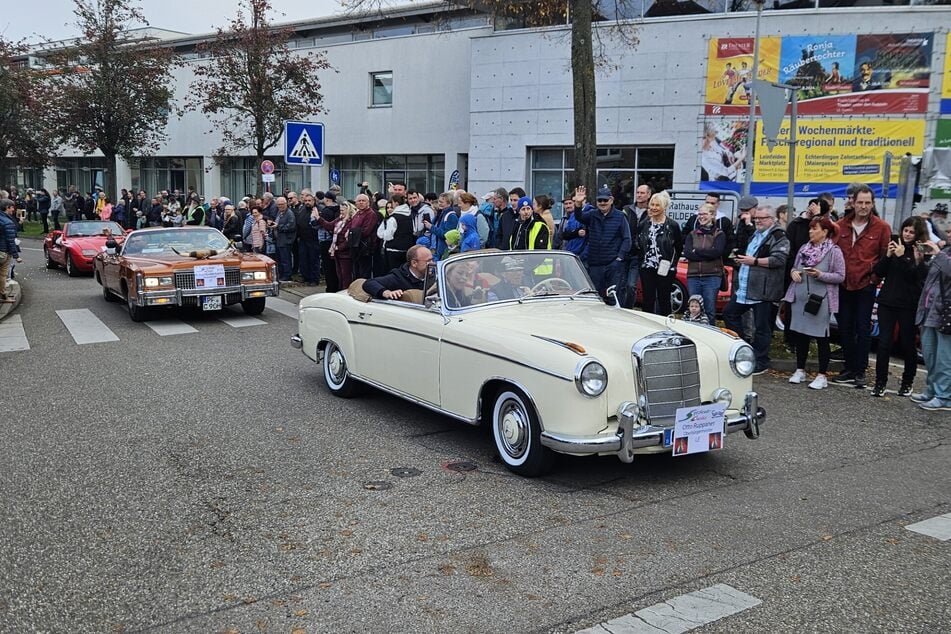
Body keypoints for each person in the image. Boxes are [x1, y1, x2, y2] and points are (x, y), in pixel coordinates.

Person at [831, 185, 891, 388]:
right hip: (844, 283)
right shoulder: (840, 225)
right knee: (845, 327)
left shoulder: (882, 227)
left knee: (863, 328)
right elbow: (832, 253)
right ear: (853, 203)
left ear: (872, 204)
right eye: (860, 202)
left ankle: (860, 370)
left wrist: (875, 278)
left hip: (866, 284)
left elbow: (885, 257)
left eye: (867, 203)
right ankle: (848, 367)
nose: (863, 206)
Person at [724, 205, 790, 374]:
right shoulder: (756, 234)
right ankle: (745, 347)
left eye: (762, 218)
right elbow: (750, 256)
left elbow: (779, 260)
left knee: (762, 327)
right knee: (729, 313)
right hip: (746, 288)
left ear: (772, 219)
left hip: (765, 291)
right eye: (756, 218)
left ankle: (761, 361)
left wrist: (753, 261)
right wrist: (742, 260)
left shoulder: (779, 236)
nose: (758, 221)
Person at [783, 216, 846, 390]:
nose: (810, 231)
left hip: (821, 299)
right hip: (801, 295)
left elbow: (840, 276)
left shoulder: (834, 251)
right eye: (810, 228)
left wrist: (820, 275)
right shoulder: (804, 248)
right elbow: (794, 267)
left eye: (815, 228)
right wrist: (794, 272)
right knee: (800, 334)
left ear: (825, 232)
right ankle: (800, 370)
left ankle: (822, 375)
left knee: (821, 337)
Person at [871, 217, 930, 397]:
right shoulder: (895, 245)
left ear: (917, 234)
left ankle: (907, 382)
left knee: (907, 343)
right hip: (888, 301)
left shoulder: (920, 250)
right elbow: (879, 272)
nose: (907, 234)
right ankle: (880, 382)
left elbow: (916, 275)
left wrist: (902, 257)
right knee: (884, 343)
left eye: (911, 232)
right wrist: (889, 256)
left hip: (908, 304)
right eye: (905, 230)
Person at [910, 241, 951, 411]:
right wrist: (920, 260)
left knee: (944, 357)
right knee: (930, 354)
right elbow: (930, 277)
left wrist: (938, 253)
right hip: (929, 310)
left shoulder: (943, 253)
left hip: (945, 313)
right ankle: (932, 389)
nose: (948, 235)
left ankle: (944, 396)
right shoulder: (946, 251)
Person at [574, 186, 631, 304]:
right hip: (595, 265)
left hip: (613, 265)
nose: (602, 203)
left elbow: (627, 239)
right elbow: (579, 217)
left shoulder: (620, 216)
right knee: (596, 299)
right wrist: (578, 204)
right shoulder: (592, 214)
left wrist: (619, 258)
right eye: (600, 200)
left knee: (614, 298)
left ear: (611, 200)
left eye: (605, 200)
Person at [636, 190, 683, 315]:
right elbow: (638, 243)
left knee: (664, 298)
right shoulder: (643, 224)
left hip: (666, 267)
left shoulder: (672, 225)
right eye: (652, 204)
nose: (654, 208)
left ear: (664, 207)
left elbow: (678, 246)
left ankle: (665, 324)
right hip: (647, 266)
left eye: (657, 205)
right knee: (648, 298)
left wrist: (672, 264)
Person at [683, 202, 725, 325]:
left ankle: (710, 335)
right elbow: (688, 253)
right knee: (694, 308)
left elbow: (717, 252)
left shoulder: (719, 234)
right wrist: (707, 253)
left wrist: (698, 251)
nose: (701, 216)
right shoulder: (692, 234)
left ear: (712, 215)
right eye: (699, 214)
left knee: (709, 309)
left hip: (712, 276)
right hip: (694, 276)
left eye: (704, 214)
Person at [362, 245, 434, 300]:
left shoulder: (435, 278)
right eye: (428, 261)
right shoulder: (398, 277)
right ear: (414, 263)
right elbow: (369, 283)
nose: (432, 264)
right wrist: (386, 292)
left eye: (432, 260)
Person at [314, 201, 355, 289]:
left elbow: (348, 240)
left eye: (343, 210)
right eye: (340, 210)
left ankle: (345, 293)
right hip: (336, 252)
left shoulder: (351, 222)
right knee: (339, 275)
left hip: (345, 253)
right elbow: (329, 226)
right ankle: (340, 291)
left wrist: (339, 247)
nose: (341, 212)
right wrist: (318, 218)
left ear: (349, 210)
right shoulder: (339, 220)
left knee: (346, 276)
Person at [378, 193, 415, 270]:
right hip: (407, 249)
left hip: (393, 250)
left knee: (393, 273)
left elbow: (388, 236)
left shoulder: (393, 218)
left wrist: (382, 235)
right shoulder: (410, 216)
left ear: (396, 203)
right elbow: (414, 230)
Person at [0, 199, 21, 302]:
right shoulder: (8, 222)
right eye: (12, 207)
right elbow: (10, 241)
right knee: (3, 274)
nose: (13, 209)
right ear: (7, 207)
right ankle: (3, 295)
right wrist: (16, 256)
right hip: (3, 252)